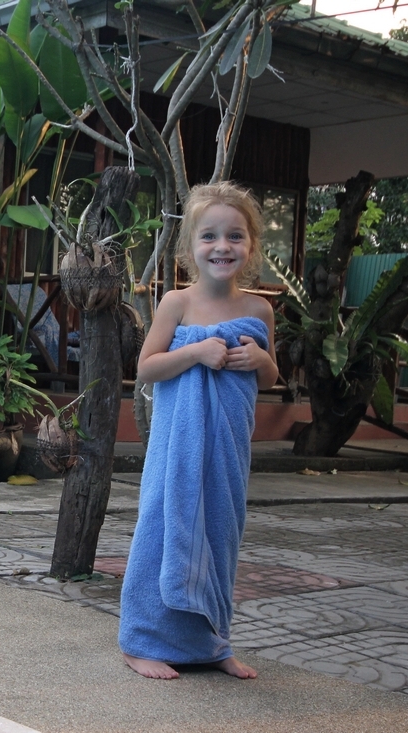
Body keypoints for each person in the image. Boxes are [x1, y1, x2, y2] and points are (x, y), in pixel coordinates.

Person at [119, 181, 278, 679]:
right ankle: (141, 640)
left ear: (251, 245)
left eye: (235, 236)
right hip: (177, 447)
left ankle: (212, 643)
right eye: (209, 236)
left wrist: (260, 359)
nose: (221, 246)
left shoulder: (259, 310)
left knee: (221, 532)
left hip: (227, 448)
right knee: (162, 528)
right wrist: (195, 353)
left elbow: (271, 378)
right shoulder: (176, 304)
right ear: (190, 247)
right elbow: (146, 368)